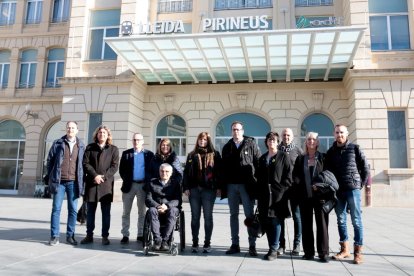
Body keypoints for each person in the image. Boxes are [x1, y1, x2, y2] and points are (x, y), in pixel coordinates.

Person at [325, 124, 369, 264]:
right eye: (337, 132)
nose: (339, 135)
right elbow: (327, 172)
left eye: (342, 132)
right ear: (334, 134)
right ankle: (345, 249)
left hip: (352, 189)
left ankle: (358, 252)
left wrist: (359, 184)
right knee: (341, 220)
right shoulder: (331, 151)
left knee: (356, 220)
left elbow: (365, 168)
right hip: (338, 191)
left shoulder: (355, 148)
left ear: (347, 133)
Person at [292, 132, 338, 262]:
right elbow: (295, 175)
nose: (311, 141)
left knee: (322, 225)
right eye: (309, 139)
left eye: (313, 139)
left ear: (317, 142)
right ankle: (308, 252)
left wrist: (320, 186)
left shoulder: (324, 158)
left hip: (321, 197)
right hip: (304, 196)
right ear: (306, 142)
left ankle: (323, 253)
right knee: (306, 225)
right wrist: (298, 184)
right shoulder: (300, 159)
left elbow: (329, 176)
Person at [221, 121, 261, 256]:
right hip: (231, 186)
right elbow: (223, 168)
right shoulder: (227, 146)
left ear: (243, 131)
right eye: (233, 130)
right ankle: (235, 244)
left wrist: (257, 183)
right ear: (231, 131)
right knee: (233, 215)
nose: (236, 132)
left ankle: (252, 245)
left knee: (249, 216)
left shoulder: (251, 144)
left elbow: (258, 163)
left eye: (238, 130)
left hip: (247, 185)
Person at [46, 121, 85, 246]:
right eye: (69, 127)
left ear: (77, 130)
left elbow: (83, 164)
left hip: (74, 182)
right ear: (66, 129)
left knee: (73, 210)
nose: (70, 129)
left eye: (73, 128)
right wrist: (52, 175)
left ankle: (70, 236)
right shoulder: (58, 143)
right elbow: (50, 160)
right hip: (59, 182)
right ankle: (54, 236)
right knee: (56, 209)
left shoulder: (81, 145)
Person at [183, 132, 222, 253]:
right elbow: (186, 173)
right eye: (200, 139)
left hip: (209, 190)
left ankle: (207, 243)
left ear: (208, 141)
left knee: (208, 217)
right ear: (197, 141)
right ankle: (195, 243)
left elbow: (219, 172)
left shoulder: (215, 154)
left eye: (205, 140)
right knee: (195, 218)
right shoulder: (191, 155)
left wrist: (219, 187)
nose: (202, 142)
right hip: (194, 190)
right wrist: (186, 187)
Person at [81, 125, 119, 245]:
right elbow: (85, 163)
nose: (102, 134)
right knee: (90, 211)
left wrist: (104, 177)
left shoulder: (114, 149)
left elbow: (114, 166)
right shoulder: (90, 147)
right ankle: (89, 235)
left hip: (106, 185)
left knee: (106, 212)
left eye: (104, 133)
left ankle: (105, 236)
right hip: (92, 183)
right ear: (96, 135)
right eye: (100, 132)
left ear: (108, 135)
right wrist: (95, 176)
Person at [256, 131, 292, 261]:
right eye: (269, 140)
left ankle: (274, 248)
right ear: (266, 142)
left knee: (276, 221)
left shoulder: (283, 156)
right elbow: (259, 178)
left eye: (274, 140)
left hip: (278, 196)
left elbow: (289, 176)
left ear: (278, 142)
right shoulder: (262, 158)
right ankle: (271, 246)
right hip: (264, 196)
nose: (271, 142)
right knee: (266, 221)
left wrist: (282, 189)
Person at [119, 133, 154, 244]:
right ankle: (125, 234)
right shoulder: (126, 154)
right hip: (129, 185)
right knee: (126, 212)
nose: (136, 142)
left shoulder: (149, 154)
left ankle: (140, 234)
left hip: (143, 186)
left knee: (142, 212)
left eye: (138, 140)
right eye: (134, 140)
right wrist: (127, 179)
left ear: (142, 141)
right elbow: (121, 170)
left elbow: (151, 171)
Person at [277, 128, 303, 256]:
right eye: (284, 135)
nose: (286, 137)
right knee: (280, 217)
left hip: (295, 189)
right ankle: (281, 245)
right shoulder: (277, 149)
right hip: (281, 190)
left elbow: (303, 170)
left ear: (292, 137)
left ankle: (297, 244)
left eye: (288, 135)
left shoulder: (298, 151)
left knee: (297, 217)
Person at [144, 163, 182, 251]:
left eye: (167, 171)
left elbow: (178, 200)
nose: (164, 173)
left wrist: (167, 206)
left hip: (170, 207)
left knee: (173, 211)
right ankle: (157, 240)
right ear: (159, 172)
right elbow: (148, 199)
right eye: (162, 171)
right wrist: (157, 206)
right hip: (156, 207)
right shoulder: (152, 182)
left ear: (171, 173)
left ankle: (165, 240)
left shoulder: (175, 183)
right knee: (151, 210)